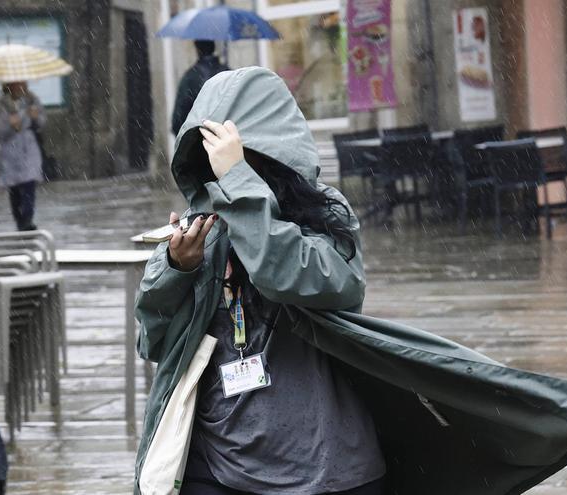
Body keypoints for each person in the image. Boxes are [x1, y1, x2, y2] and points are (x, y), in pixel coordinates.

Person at [139, 67, 385, 495]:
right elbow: (152, 341)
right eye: (213, 160)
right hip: (215, 461)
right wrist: (177, 270)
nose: (221, 173)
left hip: (318, 464)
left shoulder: (326, 212)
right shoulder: (205, 222)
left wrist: (241, 185)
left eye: (234, 157)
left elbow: (295, 277)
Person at [0, 82, 45, 231]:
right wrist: (12, 123)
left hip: (29, 146)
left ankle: (27, 218)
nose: (22, 85)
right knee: (14, 187)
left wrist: (35, 118)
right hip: (11, 148)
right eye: (18, 82)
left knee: (29, 182)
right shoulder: (1, 103)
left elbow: (41, 122)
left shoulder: (32, 99)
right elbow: (0, 131)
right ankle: (19, 219)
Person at [171, 40, 229, 135]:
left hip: (200, 138)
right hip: (227, 136)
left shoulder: (190, 76)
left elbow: (178, 118)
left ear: (197, 49)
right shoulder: (228, 72)